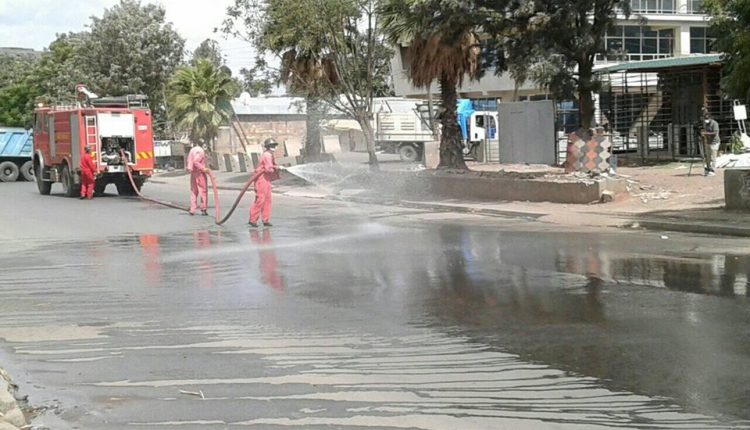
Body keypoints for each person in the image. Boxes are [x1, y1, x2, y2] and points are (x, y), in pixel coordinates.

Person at [249, 138, 283, 227]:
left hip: (266, 179)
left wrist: (277, 167)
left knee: (267, 199)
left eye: (274, 145)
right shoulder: (267, 155)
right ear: (268, 147)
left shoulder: (269, 155)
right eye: (272, 146)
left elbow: (270, 167)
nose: (274, 147)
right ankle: (253, 220)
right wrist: (277, 168)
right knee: (260, 199)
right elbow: (268, 169)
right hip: (261, 179)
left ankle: (265, 219)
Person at [186, 142, 209, 215]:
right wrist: (203, 168)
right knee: (203, 191)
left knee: (193, 191)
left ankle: (192, 209)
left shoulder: (192, 150)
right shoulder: (200, 151)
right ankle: (203, 208)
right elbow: (196, 162)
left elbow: (189, 161)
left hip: (193, 173)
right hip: (200, 173)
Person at [702, 111, 720, 177]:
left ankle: (713, 170)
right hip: (708, 142)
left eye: (707, 118)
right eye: (705, 118)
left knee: (713, 157)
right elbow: (705, 131)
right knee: (708, 157)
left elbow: (715, 133)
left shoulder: (714, 123)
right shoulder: (706, 124)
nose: (706, 120)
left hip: (714, 142)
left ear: (710, 118)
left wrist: (706, 133)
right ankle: (708, 169)